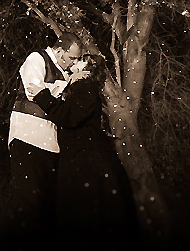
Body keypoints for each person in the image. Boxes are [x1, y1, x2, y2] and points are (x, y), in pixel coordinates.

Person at [32, 54, 140, 249]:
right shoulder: (79, 87)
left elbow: (70, 116)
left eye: (81, 59)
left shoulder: (84, 86)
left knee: (86, 219)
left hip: (87, 164)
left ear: (87, 69)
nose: (74, 61)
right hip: (85, 161)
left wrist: (42, 97)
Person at [7, 32, 84, 246]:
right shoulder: (37, 58)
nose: (74, 63)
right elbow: (34, 92)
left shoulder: (64, 72)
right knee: (28, 202)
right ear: (60, 50)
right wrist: (64, 86)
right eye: (72, 58)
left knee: (47, 207)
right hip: (27, 137)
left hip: (51, 144)